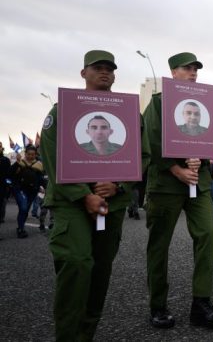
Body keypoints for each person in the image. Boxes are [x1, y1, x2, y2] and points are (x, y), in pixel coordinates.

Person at [39, 50, 150, 341]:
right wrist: (83, 195)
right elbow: (51, 157)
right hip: (72, 203)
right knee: (76, 264)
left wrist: (119, 186)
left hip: (111, 203)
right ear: (83, 73)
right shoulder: (62, 110)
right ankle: (67, 335)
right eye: (98, 67)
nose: (105, 73)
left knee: (100, 271)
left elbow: (143, 156)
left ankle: (85, 334)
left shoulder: (130, 113)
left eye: (110, 69)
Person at [144, 52, 213, 329]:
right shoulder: (159, 102)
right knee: (159, 244)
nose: (193, 73)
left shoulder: (204, 103)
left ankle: (201, 302)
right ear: (173, 72)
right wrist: (176, 169)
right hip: (167, 183)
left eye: (195, 70)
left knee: (207, 234)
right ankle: (158, 304)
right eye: (187, 68)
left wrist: (204, 159)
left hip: (198, 182)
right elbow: (151, 140)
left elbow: (209, 140)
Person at [10, 145, 45, 238]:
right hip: (20, 190)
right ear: (25, 154)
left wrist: (42, 187)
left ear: (35, 155)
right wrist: (17, 163)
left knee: (25, 210)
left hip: (32, 191)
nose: (30, 156)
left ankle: (20, 227)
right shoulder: (20, 163)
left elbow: (40, 179)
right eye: (28, 154)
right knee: (23, 207)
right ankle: (20, 229)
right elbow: (10, 174)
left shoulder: (39, 165)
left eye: (32, 154)